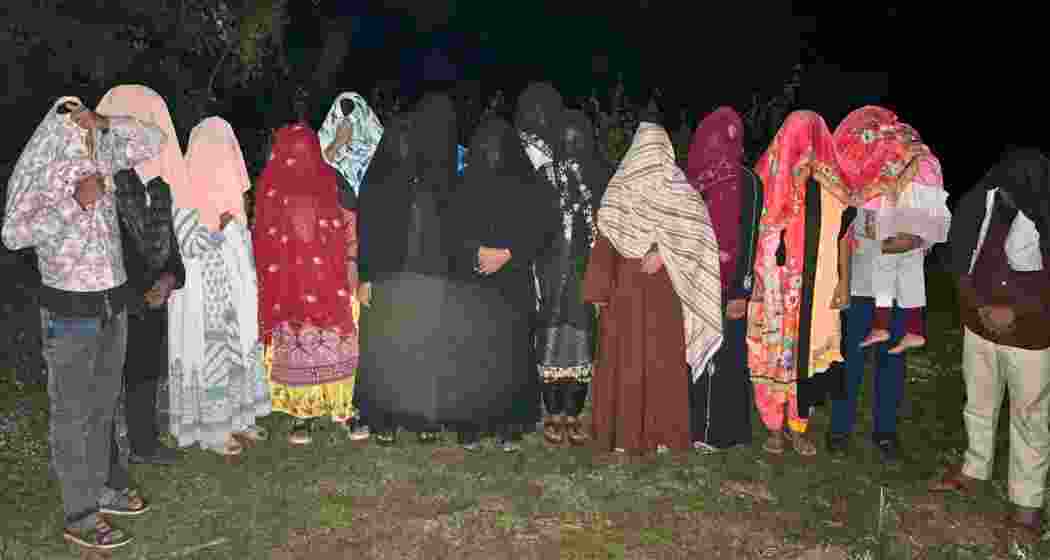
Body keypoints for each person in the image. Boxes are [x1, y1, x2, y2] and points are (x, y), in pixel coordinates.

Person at [4, 96, 165, 550]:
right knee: (72, 414)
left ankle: (100, 491)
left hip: (111, 303)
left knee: (101, 406)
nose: (82, 125)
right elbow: (13, 233)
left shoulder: (101, 152)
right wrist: (75, 202)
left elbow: (154, 140)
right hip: (68, 308)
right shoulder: (39, 165)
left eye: (85, 118)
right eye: (74, 119)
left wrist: (108, 121)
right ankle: (79, 514)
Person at [582, 120, 723, 455]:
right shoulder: (619, 191)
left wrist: (663, 252)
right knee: (627, 363)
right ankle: (623, 435)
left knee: (660, 364)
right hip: (625, 293)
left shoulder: (680, 190)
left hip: (663, 293)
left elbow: (699, 236)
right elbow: (604, 243)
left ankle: (661, 435)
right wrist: (598, 292)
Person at [931, 148, 1050, 537]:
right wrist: (977, 305)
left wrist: (1021, 312)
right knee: (978, 405)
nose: (1011, 195)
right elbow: (960, 257)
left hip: (1032, 337)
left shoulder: (1044, 211)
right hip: (978, 327)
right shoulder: (983, 202)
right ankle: (974, 469)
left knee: (1030, 418)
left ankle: (1027, 501)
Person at [827, 110, 937, 461]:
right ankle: (840, 429)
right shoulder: (866, 179)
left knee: (892, 361)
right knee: (852, 358)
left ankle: (885, 433)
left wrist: (909, 235)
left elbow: (928, 232)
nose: (898, 145)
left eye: (904, 139)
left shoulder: (926, 179)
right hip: (863, 282)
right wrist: (842, 281)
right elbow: (855, 231)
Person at [445, 116, 559, 451]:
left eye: (498, 147)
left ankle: (509, 425)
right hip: (473, 283)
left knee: (509, 354)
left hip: (511, 284)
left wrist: (509, 253)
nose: (492, 153)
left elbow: (543, 230)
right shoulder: (462, 184)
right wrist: (475, 253)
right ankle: (472, 424)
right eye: (485, 147)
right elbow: (449, 233)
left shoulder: (529, 185)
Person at [354, 94, 458, 446]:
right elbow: (365, 232)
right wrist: (365, 278)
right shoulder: (378, 182)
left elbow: (453, 231)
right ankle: (383, 417)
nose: (406, 144)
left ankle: (423, 416)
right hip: (388, 277)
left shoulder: (439, 179)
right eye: (399, 138)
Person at [748, 111, 850, 457]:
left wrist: (843, 282)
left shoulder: (829, 187)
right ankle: (773, 428)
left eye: (811, 140)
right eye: (798, 139)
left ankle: (798, 426)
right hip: (773, 286)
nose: (805, 149)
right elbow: (754, 234)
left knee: (803, 358)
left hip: (812, 290)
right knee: (771, 355)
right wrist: (760, 279)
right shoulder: (764, 178)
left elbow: (843, 237)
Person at [94, 84, 186, 466]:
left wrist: (168, 280)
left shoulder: (160, 183)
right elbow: (98, 248)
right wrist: (135, 294)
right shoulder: (103, 181)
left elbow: (171, 244)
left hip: (153, 295)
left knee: (145, 372)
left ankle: (145, 444)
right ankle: (106, 458)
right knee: (106, 380)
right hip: (113, 297)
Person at [167, 116, 269, 456]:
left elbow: (243, 240)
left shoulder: (232, 196)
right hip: (201, 291)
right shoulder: (184, 191)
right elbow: (187, 244)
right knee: (211, 351)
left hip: (233, 288)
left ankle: (240, 417)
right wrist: (217, 228)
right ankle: (213, 429)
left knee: (238, 348)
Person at [254, 123, 357, 446]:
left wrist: (351, 264)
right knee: (300, 344)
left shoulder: (331, 179)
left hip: (331, 282)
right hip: (289, 284)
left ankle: (343, 408)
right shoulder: (271, 183)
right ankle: (302, 414)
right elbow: (262, 234)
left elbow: (350, 224)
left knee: (333, 344)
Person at [833, 107, 950, 354]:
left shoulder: (912, 161)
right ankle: (911, 330)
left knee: (889, 273)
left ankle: (885, 327)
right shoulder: (925, 163)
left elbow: (891, 193)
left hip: (898, 231)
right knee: (907, 276)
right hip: (894, 244)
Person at [685, 106, 762, 452]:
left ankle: (725, 432)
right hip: (699, 282)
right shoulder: (696, 180)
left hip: (731, 286)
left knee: (728, 356)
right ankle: (697, 428)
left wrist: (740, 291)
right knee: (699, 351)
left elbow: (749, 240)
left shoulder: (749, 182)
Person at [535, 110, 609, 446]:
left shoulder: (600, 177)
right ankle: (552, 412)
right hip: (551, 273)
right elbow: (531, 228)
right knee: (550, 343)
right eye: (567, 137)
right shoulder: (543, 175)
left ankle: (575, 413)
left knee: (582, 342)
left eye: (578, 136)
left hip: (585, 273)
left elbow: (607, 232)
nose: (572, 142)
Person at [318, 91, 384, 200]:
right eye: (341, 119)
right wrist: (338, 142)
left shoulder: (376, 141)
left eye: (352, 119)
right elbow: (321, 165)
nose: (346, 123)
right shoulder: (326, 137)